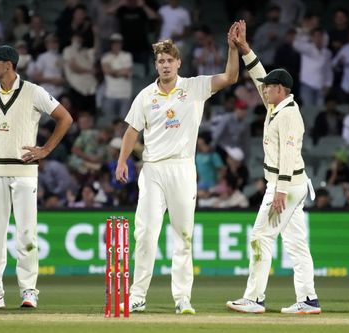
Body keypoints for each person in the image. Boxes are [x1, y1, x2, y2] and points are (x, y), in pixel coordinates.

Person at [115, 23, 239, 314]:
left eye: (170, 60)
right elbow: (132, 131)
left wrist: (232, 49)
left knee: (183, 235)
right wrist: (122, 160)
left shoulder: (194, 87)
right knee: (145, 234)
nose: (166, 65)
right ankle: (137, 296)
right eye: (161, 61)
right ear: (156, 65)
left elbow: (231, 77)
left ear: (178, 63)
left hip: (183, 169)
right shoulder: (146, 95)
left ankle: (182, 298)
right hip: (153, 170)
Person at [226, 20, 321, 315]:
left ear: (280, 90)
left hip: (287, 185)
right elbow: (258, 74)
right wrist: (244, 48)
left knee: (260, 237)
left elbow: (290, 155)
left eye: (268, 89)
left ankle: (254, 298)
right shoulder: (277, 105)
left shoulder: (289, 115)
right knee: (296, 245)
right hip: (291, 184)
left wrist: (279, 191)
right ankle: (308, 299)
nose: (263, 91)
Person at [0, 45, 73, 308]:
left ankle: (29, 290)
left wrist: (46, 149)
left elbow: (65, 118)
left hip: (24, 171)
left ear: (8, 64)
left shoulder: (34, 92)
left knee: (26, 234)